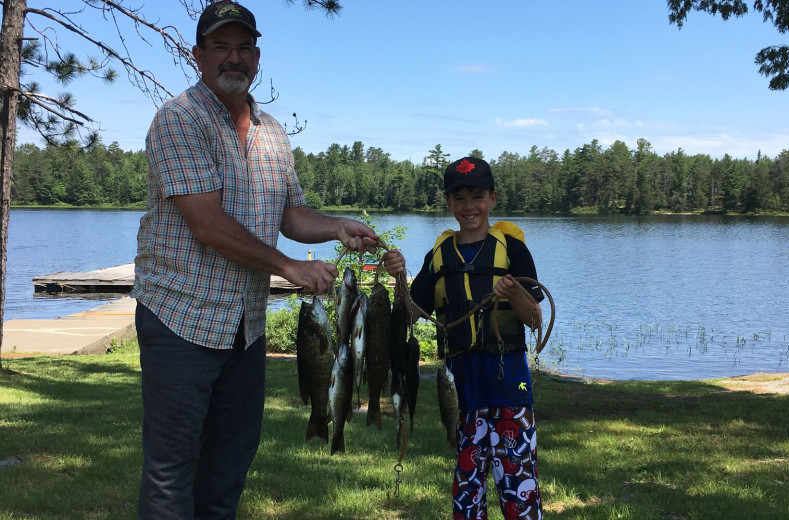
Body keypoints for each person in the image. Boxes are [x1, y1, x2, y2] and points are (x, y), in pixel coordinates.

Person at [131, 2, 380, 518]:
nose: (233, 58)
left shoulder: (272, 132)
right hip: (180, 319)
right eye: (221, 47)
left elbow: (289, 213)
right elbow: (207, 224)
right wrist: (290, 267)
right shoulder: (178, 120)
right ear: (199, 56)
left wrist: (335, 227)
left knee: (229, 465)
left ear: (257, 56)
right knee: (171, 469)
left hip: (245, 329)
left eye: (243, 47)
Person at [384, 156, 545, 520]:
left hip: (510, 391)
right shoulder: (439, 255)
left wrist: (515, 293)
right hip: (461, 391)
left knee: (519, 491)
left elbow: (535, 320)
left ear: (492, 198)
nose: (468, 206)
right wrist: (399, 277)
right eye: (459, 198)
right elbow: (411, 312)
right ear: (448, 203)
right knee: (467, 496)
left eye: (477, 196)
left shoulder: (513, 250)